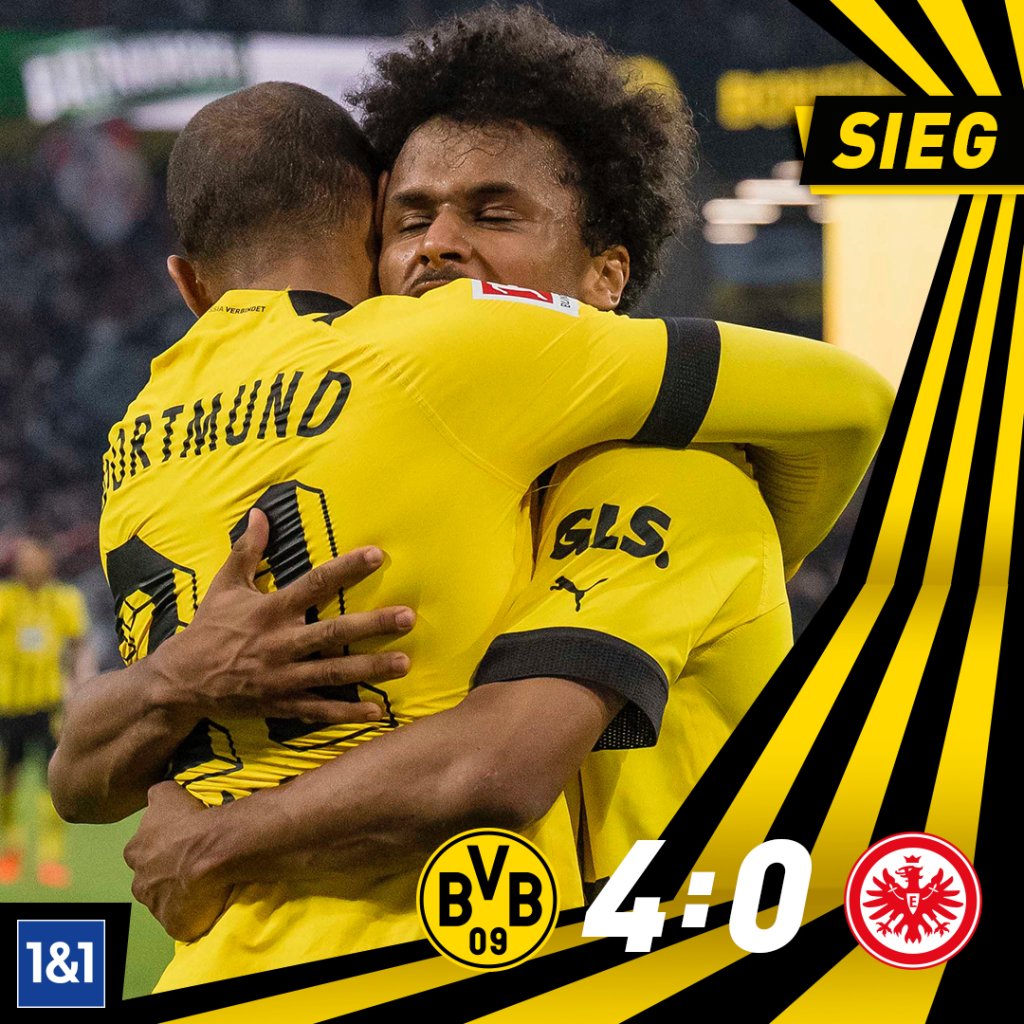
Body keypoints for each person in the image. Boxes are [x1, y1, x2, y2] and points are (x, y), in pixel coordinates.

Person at [51, 56, 891, 990]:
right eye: (408, 221)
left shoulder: (671, 474)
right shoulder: (409, 454)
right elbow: (81, 768)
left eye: (494, 215)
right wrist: (177, 680)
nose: (439, 246)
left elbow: (496, 762)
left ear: (606, 278)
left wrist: (755, 537)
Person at [0, 538, 94, 886]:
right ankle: (9, 851)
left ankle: (51, 858)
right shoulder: (5, 599)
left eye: (34, 558)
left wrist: (82, 687)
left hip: (49, 705)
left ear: (48, 561)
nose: (28, 565)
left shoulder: (65, 599)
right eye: (23, 559)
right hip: (8, 706)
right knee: (6, 782)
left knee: (51, 782)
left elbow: (79, 646)